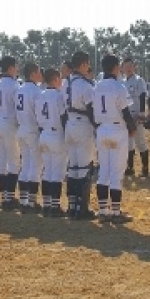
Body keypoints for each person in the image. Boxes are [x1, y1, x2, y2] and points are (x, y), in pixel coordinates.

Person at [94, 54, 138, 223]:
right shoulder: (119, 86)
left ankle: (103, 210)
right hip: (117, 129)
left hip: (102, 129)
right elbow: (125, 112)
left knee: (103, 171)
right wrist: (132, 128)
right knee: (116, 172)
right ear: (115, 67)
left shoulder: (97, 86)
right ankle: (116, 211)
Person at [64, 51, 97, 219]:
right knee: (84, 168)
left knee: (73, 168)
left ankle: (72, 206)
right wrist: (97, 127)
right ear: (83, 64)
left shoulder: (65, 82)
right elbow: (91, 110)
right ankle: (82, 209)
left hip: (69, 124)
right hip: (82, 124)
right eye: (87, 64)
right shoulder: (86, 85)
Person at [36, 68, 68, 217]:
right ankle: (54, 207)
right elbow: (63, 117)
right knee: (57, 172)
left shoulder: (40, 95)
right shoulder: (58, 96)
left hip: (44, 133)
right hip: (56, 134)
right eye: (59, 79)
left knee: (47, 171)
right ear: (55, 79)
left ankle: (46, 205)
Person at [0, 56, 21, 210]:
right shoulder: (14, 84)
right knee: (13, 161)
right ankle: (9, 197)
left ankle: (5, 196)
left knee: (2, 161)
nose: (16, 69)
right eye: (15, 67)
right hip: (10, 123)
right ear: (10, 68)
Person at [17, 63, 44, 213]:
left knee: (25, 165)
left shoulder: (19, 89)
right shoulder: (36, 91)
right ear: (33, 73)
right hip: (32, 130)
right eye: (38, 72)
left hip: (22, 128)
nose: (40, 74)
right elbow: (39, 114)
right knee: (35, 166)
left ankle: (23, 200)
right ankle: (31, 202)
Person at [121, 58, 148, 177]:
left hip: (136, 115)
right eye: (126, 66)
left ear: (134, 67)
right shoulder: (122, 82)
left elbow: (142, 95)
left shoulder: (138, 80)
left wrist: (142, 113)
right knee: (129, 142)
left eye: (130, 66)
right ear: (122, 68)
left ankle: (145, 168)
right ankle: (130, 168)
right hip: (127, 116)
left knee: (140, 141)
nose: (128, 68)